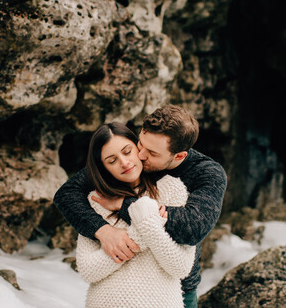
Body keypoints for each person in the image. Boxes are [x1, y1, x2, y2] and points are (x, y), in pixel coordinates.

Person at [53, 105, 227, 307]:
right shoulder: (129, 160)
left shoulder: (206, 173)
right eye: (140, 144)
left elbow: (193, 227)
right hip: (116, 289)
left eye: (152, 153)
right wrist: (102, 230)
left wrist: (124, 205)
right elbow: (66, 194)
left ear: (179, 156)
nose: (141, 155)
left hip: (176, 288)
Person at [76, 122, 195, 307]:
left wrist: (143, 230)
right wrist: (144, 229)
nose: (124, 162)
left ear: (139, 149)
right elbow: (88, 270)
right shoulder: (96, 200)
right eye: (112, 160)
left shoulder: (171, 189)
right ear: (103, 167)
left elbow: (181, 267)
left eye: (127, 151)